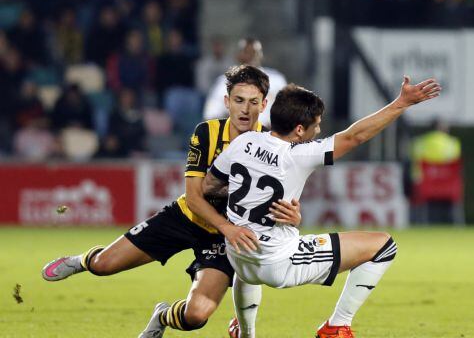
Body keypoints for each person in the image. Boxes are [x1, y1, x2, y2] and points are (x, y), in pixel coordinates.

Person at [41, 65, 302, 337]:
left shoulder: (276, 145)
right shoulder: (207, 133)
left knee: (196, 316)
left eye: (253, 102)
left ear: (265, 105)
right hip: (186, 218)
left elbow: (285, 202)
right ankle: (82, 261)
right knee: (103, 266)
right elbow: (194, 196)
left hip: (222, 242)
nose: (245, 110)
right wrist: (228, 226)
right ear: (227, 102)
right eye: (238, 101)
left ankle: (162, 315)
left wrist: (295, 218)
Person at [202, 77, 440, 338]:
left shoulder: (243, 142)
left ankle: (245, 333)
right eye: (317, 125)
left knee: (248, 262)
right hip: (278, 262)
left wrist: (249, 206)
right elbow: (355, 136)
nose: (319, 129)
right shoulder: (298, 155)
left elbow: (210, 186)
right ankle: (337, 326)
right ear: (300, 130)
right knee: (384, 246)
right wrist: (401, 103)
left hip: (237, 254)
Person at [203, 37, 287, 129]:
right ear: (238, 55)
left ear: (261, 55)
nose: (251, 56)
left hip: (271, 134)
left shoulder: (276, 79)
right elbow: (211, 115)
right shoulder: (224, 82)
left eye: (254, 52)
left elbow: (287, 110)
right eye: (246, 52)